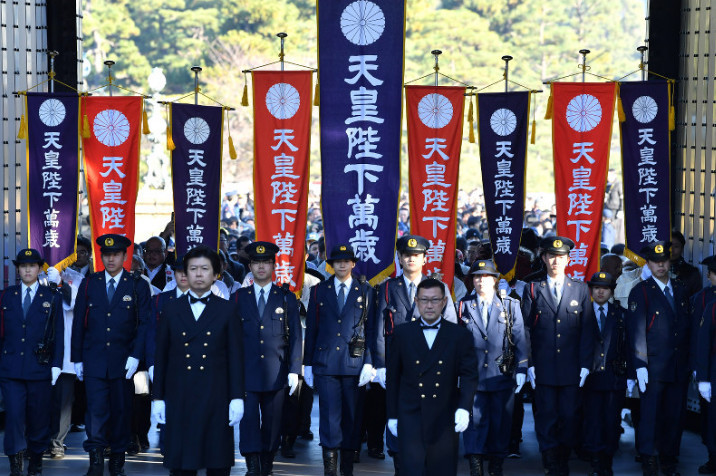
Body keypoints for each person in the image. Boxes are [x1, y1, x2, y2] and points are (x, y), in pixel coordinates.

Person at [152, 245, 245, 476]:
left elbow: (235, 356)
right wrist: (158, 398)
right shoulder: (171, 309)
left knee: (216, 462)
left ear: (216, 274)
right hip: (179, 395)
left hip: (216, 395)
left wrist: (237, 398)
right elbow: (161, 355)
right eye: (193, 269)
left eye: (205, 268)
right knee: (183, 463)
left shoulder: (227, 310)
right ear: (184, 273)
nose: (199, 274)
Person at [373, 234, 457, 473]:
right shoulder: (387, 288)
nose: (411, 259)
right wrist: (379, 364)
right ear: (399, 258)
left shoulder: (438, 288)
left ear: (424, 258)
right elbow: (378, 330)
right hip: (399, 370)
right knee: (398, 426)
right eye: (406, 255)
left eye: (416, 255)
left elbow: (450, 328)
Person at [71, 234, 151, 476]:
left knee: (121, 411)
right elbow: (78, 323)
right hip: (94, 358)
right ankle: (95, 457)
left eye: (116, 254)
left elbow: (145, 324)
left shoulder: (137, 284)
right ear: (101, 257)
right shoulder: (90, 283)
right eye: (107, 255)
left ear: (125, 256)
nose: (111, 259)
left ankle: (117, 458)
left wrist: (136, 356)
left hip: (123, 361)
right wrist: (76, 358)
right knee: (95, 411)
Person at [386, 278, 478, 476]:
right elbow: (393, 379)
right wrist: (392, 415)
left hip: (444, 414)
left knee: (441, 470)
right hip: (410, 413)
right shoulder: (402, 333)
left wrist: (464, 407)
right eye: (424, 300)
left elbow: (469, 376)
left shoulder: (459, 335)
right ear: (416, 301)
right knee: (412, 470)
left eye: (435, 300)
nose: (429, 305)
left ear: (444, 302)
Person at [521, 236, 596, 475]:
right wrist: (529, 363)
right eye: (551, 256)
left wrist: (586, 364)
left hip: (571, 368)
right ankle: (551, 460)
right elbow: (524, 329)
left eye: (560, 257)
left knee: (570, 415)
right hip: (543, 367)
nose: (555, 261)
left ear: (568, 259)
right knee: (546, 415)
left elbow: (587, 329)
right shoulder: (532, 288)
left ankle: (563, 454)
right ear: (543, 258)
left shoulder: (581, 288)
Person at [304, 244, 377, 476]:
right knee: (328, 417)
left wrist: (370, 361)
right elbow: (312, 329)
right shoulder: (319, 290)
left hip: (354, 364)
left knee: (352, 418)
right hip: (326, 363)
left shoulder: (366, 291)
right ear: (331, 264)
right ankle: (330, 471)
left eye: (346, 261)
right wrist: (307, 364)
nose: (342, 264)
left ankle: (347, 470)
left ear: (353, 264)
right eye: (337, 261)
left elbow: (372, 329)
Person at [232, 242, 302, 475]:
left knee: (273, 423)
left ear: (273, 265)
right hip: (246, 371)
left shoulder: (286, 298)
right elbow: (231, 337)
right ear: (250, 265)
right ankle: (253, 465)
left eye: (266, 262)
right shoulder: (239, 298)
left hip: (276, 371)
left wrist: (294, 369)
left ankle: (267, 463)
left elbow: (296, 336)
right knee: (248, 420)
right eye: (256, 262)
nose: (261, 267)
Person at [626, 241, 691, 476]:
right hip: (652, 367)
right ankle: (649, 458)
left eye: (664, 261)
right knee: (651, 415)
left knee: (674, 416)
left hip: (677, 365)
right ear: (649, 263)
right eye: (655, 261)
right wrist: (640, 365)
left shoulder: (681, 289)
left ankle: (669, 458)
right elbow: (637, 331)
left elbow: (686, 328)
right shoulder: (641, 291)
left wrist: (691, 364)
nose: (660, 264)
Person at [459, 260, 529, 476]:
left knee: (500, 423)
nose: (481, 280)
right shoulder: (462, 305)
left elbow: (519, 339)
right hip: (473, 377)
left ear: (495, 280)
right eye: (477, 276)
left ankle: (497, 464)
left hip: (501, 375)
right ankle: (476, 465)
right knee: (474, 423)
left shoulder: (509, 305)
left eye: (486, 276)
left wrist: (522, 369)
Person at [0, 249, 63, 476]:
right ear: (18, 269)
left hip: (40, 368)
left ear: (39, 269)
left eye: (32, 265)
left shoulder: (52, 297)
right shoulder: (6, 296)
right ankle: (16, 465)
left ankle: (36, 461)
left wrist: (57, 364)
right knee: (14, 417)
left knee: (38, 418)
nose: (28, 269)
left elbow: (58, 333)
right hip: (12, 369)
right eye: (23, 266)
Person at [582, 272, 627, 476]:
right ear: (591, 290)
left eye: (605, 288)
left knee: (611, 420)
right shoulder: (581, 312)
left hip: (613, 377)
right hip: (588, 378)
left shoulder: (621, 314)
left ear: (612, 291)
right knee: (592, 420)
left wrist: (632, 374)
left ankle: (606, 461)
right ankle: (596, 462)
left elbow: (627, 345)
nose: (600, 291)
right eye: (597, 287)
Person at [696, 298, 716, 474]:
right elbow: (703, 344)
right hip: (715, 376)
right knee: (713, 423)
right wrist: (703, 378)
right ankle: (714, 460)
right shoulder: (713, 307)